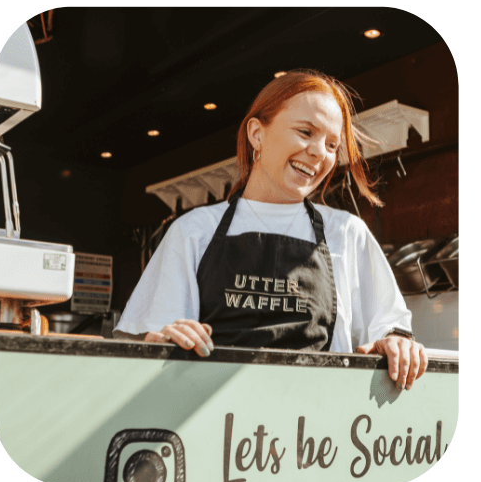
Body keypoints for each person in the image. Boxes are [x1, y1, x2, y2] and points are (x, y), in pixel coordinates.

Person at [114, 70, 427, 391]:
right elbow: (145, 342)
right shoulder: (194, 231)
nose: (320, 152)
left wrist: (396, 343)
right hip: (216, 426)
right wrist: (161, 341)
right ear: (256, 134)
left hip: (315, 429)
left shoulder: (346, 232)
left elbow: (390, 326)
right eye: (306, 131)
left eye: (332, 145)